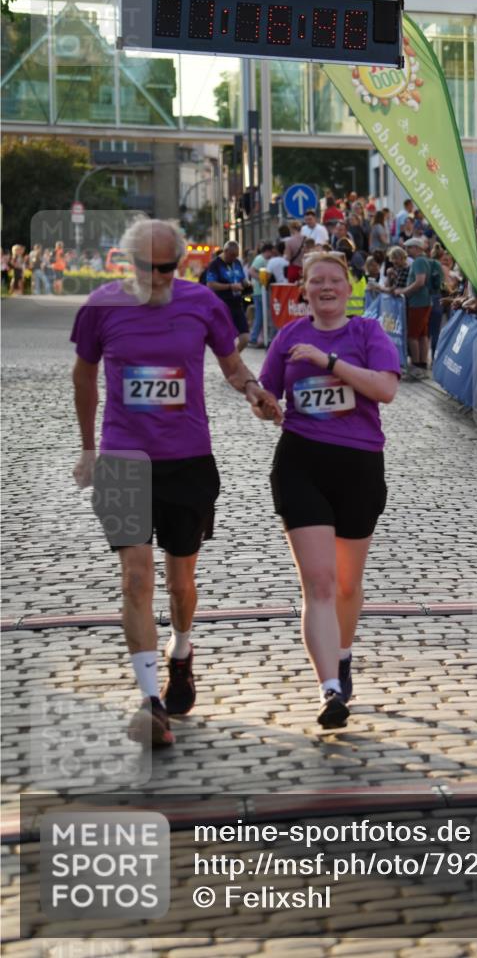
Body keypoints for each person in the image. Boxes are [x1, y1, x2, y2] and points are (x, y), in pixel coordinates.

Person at [70, 219, 282, 747]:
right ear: (128, 262)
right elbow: (82, 374)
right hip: (123, 459)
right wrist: (88, 448)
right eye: (148, 267)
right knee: (135, 580)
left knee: (179, 582)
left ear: (182, 263)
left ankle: (181, 652)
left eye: (168, 267)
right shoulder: (101, 306)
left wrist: (253, 390)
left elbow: (231, 365)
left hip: (188, 459)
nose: (159, 277)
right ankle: (150, 701)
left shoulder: (203, 304)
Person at [258, 252, 400, 728]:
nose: (325, 287)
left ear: (347, 287)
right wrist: (264, 405)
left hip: (358, 466)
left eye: (334, 280)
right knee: (317, 582)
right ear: (303, 290)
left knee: (345, 584)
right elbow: (268, 394)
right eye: (315, 280)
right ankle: (329, 690)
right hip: (301, 463)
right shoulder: (288, 337)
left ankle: (342, 654)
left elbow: (384, 389)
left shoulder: (366, 333)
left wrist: (330, 361)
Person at [206, 240, 251, 351]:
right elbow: (210, 284)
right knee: (227, 338)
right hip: (223, 304)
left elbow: (242, 278)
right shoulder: (215, 265)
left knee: (245, 338)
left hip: (237, 303)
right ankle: (230, 362)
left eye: (236, 256)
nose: (234, 258)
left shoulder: (237, 262)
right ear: (225, 251)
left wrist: (246, 283)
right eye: (232, 255)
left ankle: (234, 358)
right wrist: (230, 286)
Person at [397, 238, 432, 371]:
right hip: (422, 301)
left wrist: (404, 291)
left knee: (413, 335)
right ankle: (422, 364)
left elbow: (419, 282)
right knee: (422, 335)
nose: (407, 250)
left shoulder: (418, 261)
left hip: (418, 302)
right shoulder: (423, 260)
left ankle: (416, 365)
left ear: (417, 248)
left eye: (409, 247)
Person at [248, 241, 274, 346]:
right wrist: (262, 280)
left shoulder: (262, 259)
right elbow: (252, 271)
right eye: (271, 252)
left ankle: (256, 337)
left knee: (261, 315)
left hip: (260, 291)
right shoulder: (260, 259)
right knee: (260, 315)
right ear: (267, 251)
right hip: (259, 291)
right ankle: (253, 337)